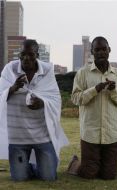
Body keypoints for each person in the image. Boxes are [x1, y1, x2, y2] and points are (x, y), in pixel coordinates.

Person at [0, 39, 69, 181]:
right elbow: (1, 94)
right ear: (19, 55)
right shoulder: (10, 69)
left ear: (37, 55)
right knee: (19, 178)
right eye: (23, 54)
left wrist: (43, 103)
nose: (26, 58)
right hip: (17, 136)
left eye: (30, 54)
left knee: (48, 177)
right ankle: (27, 165)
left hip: (42, 135)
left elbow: (55, 98)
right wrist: (13, 88)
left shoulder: (48, 69)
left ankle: (38, 165)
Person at [67, 36, 117, 180]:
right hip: (90, 134)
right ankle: (75, 164)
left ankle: (98, 165)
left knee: (108, 176)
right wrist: (95, 89)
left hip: (112, 134)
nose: (101, 52)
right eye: (97, 50)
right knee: (89, 175)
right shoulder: (83, 73)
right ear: (92, 52)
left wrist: (114, 91)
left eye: (104, 49)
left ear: (109, 50)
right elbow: (75, 98)